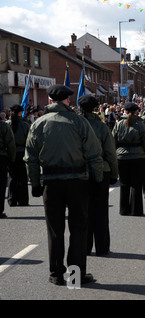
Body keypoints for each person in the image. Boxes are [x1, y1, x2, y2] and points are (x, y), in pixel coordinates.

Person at [24, 84, 103, 285]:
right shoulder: (79, 122)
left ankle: (56, 274)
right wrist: (98, 179)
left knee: (54, 230)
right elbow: (94, 153)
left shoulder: (39, 124)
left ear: (50, 101)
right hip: (77, 181)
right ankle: (76, 275)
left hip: (51, 182)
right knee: (78, 229)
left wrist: (34, 183)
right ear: (68, 100)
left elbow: (30, 158)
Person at [78, 95, 119, 257]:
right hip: (101, 169)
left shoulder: (74, 124)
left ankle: (85, 246)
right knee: (101, 211)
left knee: (83, 212)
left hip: (80, 171)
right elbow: (110, 152)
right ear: (95, 108)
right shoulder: (101, 127)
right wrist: (115, 174)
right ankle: (102, 247)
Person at [112, 102, 145, 216]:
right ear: (136, 111)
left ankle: (123, 209)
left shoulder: (119, 124)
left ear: (124, 111)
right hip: (138, 157)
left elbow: (112, 141)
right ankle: (136, 210)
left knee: (124, 184)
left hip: (122, 157)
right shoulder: (140, 124)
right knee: (136, 184)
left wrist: (114, 156)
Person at [6, 104, 29, 207]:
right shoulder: (25, 125)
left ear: (10, 112)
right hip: (22, 152)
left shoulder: (6, 124)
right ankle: (23, 200)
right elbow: (29, 141)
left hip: (9, 153)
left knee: (12, 177)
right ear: (20, 112)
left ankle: (12, 199)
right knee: (23, 177)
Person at [0, 113, 16, 218]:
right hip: (1, 157)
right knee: (1, 185)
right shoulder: (4, 126)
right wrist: (11, 159)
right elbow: (10, 144)